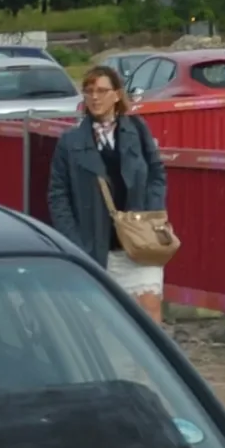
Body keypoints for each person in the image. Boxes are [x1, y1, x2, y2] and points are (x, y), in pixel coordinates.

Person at [47, 64, 170, 321]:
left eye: (102, 90)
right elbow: (58, 195)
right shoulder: (70, 142)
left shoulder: (136, 129)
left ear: (116, 95)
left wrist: (151, 212)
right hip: (97, 246)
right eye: (89, 91)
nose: (95, 97)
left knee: (149, 310)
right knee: (106, 321)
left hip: (139, 243)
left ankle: (149, 363)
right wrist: (74, 241)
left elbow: (157, 173)